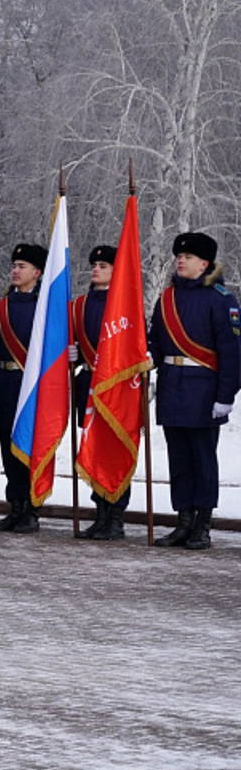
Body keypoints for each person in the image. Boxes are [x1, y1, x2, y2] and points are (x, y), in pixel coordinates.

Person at [146, 232, 240, 551]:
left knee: (203, 459)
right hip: (172, 386)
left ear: (204, 263)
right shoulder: (167, 299)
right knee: (179, 460)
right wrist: (149, 356)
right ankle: (183, 521)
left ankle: (203, 524)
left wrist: (226, 396)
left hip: (203, 391)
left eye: (187, 257)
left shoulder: (221, 299)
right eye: (178, 256)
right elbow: (156, 340)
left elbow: (231, 351)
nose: (180, 260)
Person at [69, 245, 131, 540]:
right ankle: (100, 513)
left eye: (104, 265)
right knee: (93, 450)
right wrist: (73, 353)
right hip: (90, 383)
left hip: (118, 389)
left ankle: (116, 516)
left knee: (116, 450)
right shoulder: (79, 305)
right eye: (94, 264)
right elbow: (78, 343)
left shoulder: (126, 304)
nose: (96, 269)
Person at [0, 243, 45, 533]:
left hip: (33, 388)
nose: (15, 270)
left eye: (22, 266)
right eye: (14, 265)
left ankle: (32, 508)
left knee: (29, 450)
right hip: (4, 385)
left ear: (37, 273)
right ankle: (16, 506)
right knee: (8, 450)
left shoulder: (47, 309)